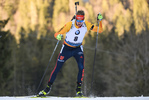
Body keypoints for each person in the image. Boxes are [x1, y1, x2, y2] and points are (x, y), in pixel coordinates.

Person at [37, 10, 103, 97]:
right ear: (76, 19)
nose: (79, 23)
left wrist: (100, 21)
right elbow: (56, 33)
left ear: (83, 19)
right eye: (78, 20)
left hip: (78, 48)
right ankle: (47, 89)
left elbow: (100, 30)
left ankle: (78, 91)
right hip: (66, 49)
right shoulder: (70, 25)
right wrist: (58, 36)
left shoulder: (86, 24)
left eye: (81, 20)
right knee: (57, 68)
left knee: (81, 68)